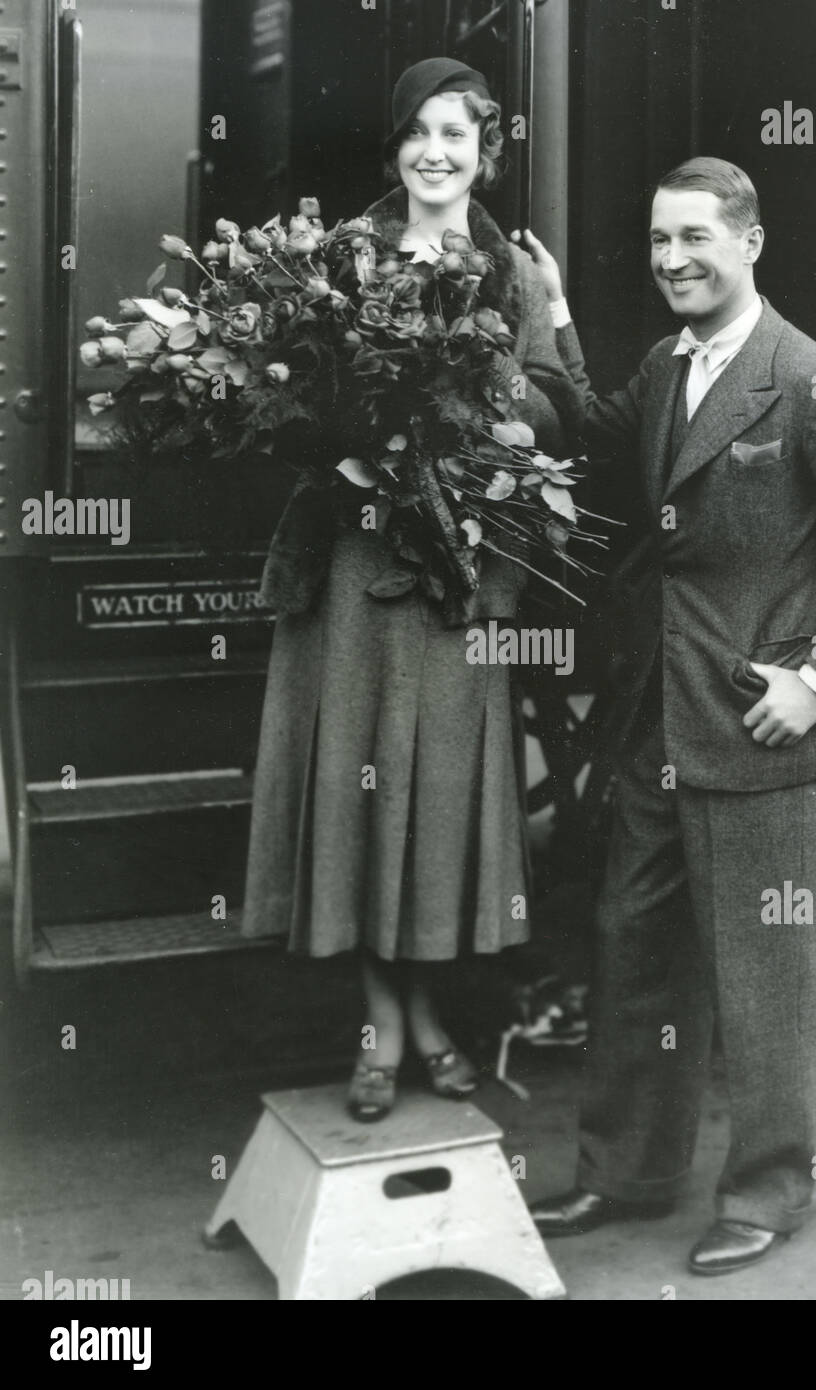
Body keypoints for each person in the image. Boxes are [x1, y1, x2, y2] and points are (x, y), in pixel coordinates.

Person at [518, 157, 816, 1273]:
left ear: (750, 241)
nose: (671, 260)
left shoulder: (811, 381)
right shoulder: (665, 365)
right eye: (658, 241)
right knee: (634, 945)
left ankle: (768, 1188)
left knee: (767, 972)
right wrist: (546, 310)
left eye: (694, 237)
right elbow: (588, 431)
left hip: (765, 726)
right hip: (662, 717)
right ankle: (628, 1170)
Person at [242, 58, 582, 1122]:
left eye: (459, 134)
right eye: (419, 132)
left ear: (488, 152)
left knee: (429, 807)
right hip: (351, 573)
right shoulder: (337, 258)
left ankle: (425, 1015)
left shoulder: (515, 274)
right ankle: (382, 1028)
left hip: (457, 581)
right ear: (396, 145)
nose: (437, 151)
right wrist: (357, 430)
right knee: (360, 795)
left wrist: (534, 343)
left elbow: (566, 413)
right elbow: (280, 408)